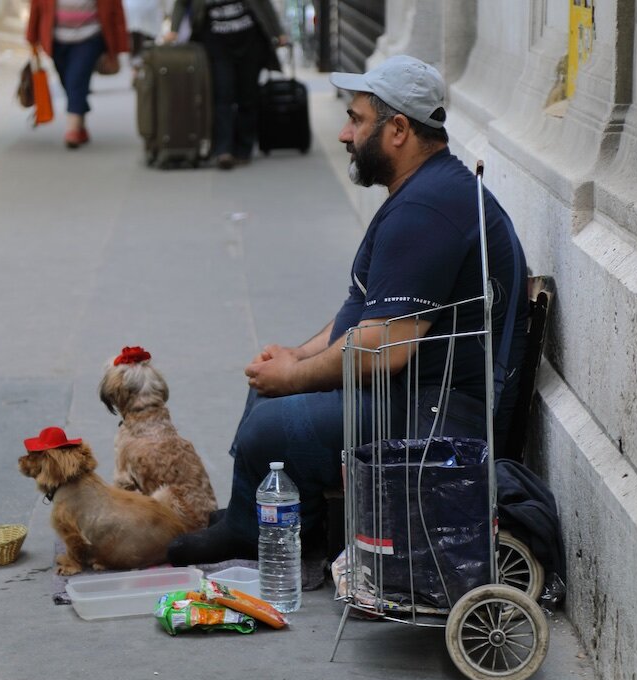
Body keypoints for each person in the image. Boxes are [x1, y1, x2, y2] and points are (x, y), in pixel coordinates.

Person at [166, 55, 529, 566]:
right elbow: (359, 310)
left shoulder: (427, 212)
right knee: (266, 389)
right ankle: (258, 519)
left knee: (269, 425)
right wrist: (294, 355)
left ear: (398, 129)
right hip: (414, 393)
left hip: (438, 416)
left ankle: (265, 531)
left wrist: (296, 377)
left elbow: (384, 350)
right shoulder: (420, 194)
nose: (343, 133)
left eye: (357, 120)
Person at [164, 0, 287, 169]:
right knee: (222, 94)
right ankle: (223, 149)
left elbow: (263, 3)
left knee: (248, 95)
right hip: (216, 43)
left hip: (250, 41)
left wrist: (278, 32)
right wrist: (174, 30)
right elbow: (182, 3)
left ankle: (244, 149)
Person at [27, 0, 128, 148]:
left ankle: (72, 129)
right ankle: (80, 123)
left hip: (89, 36)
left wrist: (119, 46)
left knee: (76, 78)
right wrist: (32, 36)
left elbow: (115, 9)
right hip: (56, 38)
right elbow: (37, 5)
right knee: (67, 82)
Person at [122, 0, 167, 88]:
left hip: (137, 8)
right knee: (146, 43)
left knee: (137, 42)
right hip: (144, 9)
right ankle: (141, 71)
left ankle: (138, 71)